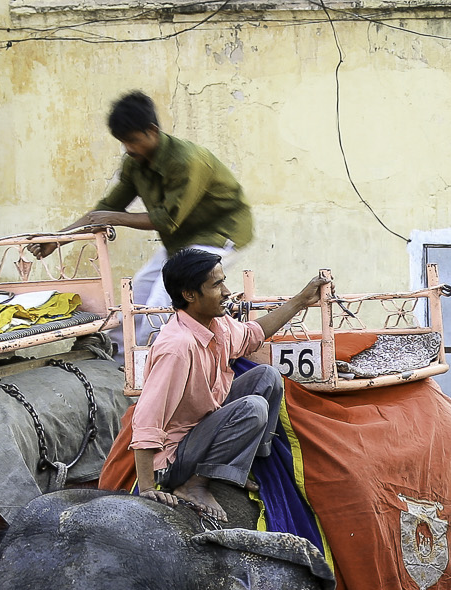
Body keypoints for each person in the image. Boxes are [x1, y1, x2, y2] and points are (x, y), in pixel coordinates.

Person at [131, 248, 324, 514]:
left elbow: (254, 334)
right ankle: (195, 485)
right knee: (253, 408)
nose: (226, 292)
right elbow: (146, 419)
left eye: (223, 282)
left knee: (267, 376)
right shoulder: (177, 347)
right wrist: (147, 488)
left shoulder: (216, 324)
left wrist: (302, 300)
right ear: (189, 295)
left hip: (202, 429)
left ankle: (238, 466)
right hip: (176, 457)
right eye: (216, 285)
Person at [43, 91, 254, 332]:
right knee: (139, 290)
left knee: (160, 302)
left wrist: (114, 219)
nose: (128, 148)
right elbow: (107, 208)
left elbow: (167, 219)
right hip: (181, 242)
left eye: (132, 140)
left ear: (151, 131)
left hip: (220, 235)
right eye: (123, 142)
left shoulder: (187, 160)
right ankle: (117, 361)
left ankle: (147, 364)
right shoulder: (135, 162)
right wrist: (58, 239)